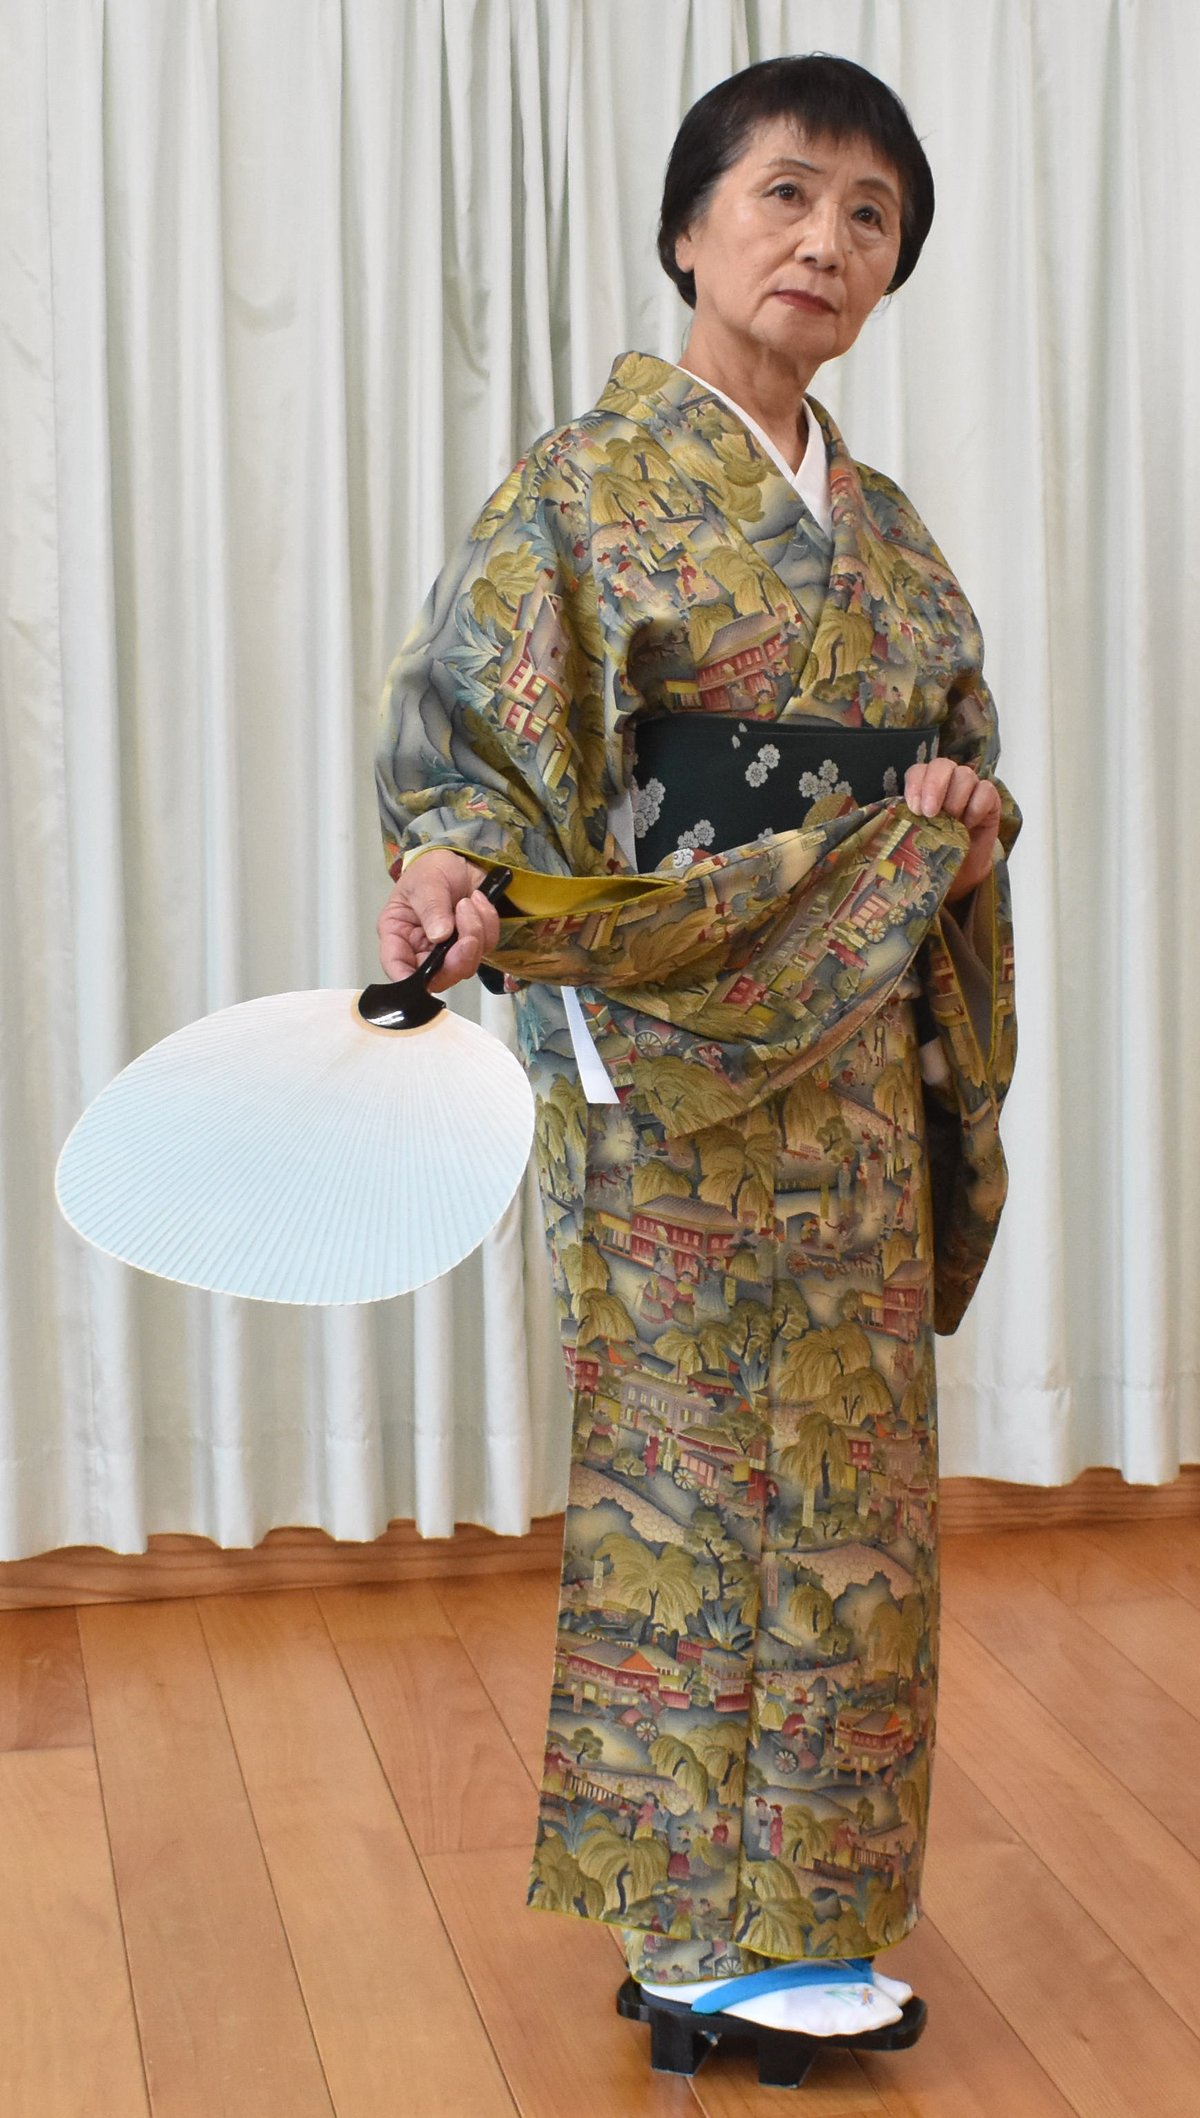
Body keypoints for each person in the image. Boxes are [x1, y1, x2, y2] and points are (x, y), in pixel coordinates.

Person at [374, 54, 1018, 2079]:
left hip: (852, 1069)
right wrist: (449, 864)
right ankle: (691, 1927)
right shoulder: (580, 491)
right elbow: (476, 755)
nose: (827, 241)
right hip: (666, 1061)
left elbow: (962, 767)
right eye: (786, 194)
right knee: (687, 1478)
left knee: (850, 1490)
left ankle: (806, 1911)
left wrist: (956, 826)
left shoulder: (891, 538)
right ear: (687, 227)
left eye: (870, 218)